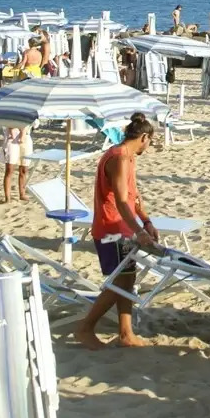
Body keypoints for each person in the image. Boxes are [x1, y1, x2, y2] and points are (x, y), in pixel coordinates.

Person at [73, 113, 159, 350]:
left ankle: (125, 333)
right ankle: (85, 328)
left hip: (122, 228)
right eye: (150, 141)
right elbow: (121, 201)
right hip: (112, 229)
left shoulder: (127, 156)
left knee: (127, 279)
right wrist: (139, 231)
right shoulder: (119, 157)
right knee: (119, 282)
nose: (149, 146)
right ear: (144, 137)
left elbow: (133, 195)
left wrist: (146, 221)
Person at [0, 125, 33, 204]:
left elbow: (35, 123)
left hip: (26, 136)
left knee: (24, 169)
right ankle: (7, 198)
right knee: (9, 169)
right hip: (11, 137)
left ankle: (22, 194)